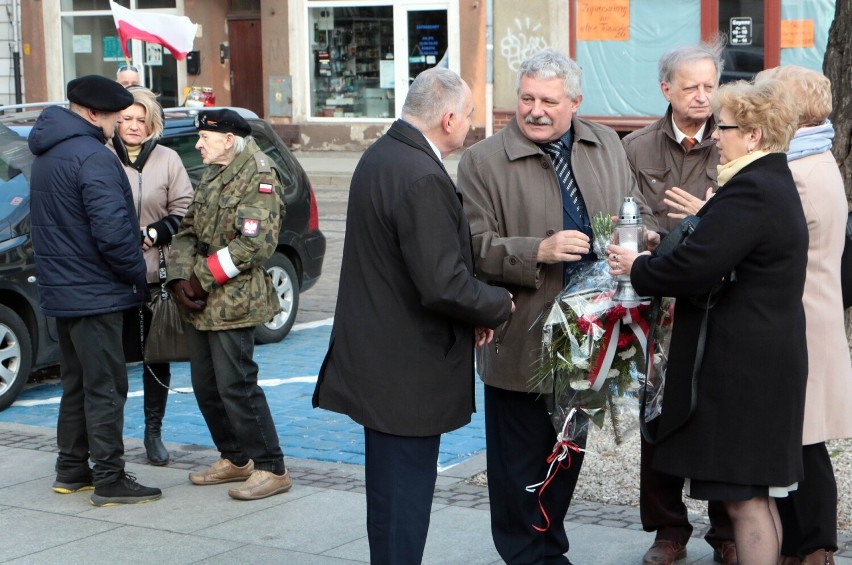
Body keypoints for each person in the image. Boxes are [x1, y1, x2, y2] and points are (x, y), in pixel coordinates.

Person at [457, 49, 657, 564]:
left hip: (593, 336)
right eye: (526, 98)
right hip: (522, 336)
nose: (535, 110)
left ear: (575, 102)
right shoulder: (483, 161)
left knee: (567, 453)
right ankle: (527, 554)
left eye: (549, 100)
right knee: (517, 463)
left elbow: (633, 207)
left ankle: (550, 546)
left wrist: (643, 238)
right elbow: (470, 247)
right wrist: (536, 251)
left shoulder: (606, 144)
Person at [312, 68, 514, 564]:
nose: (470, 126)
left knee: (390, 502)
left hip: (383, 361)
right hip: (405, 371)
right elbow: (442, 282)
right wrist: (496, 304)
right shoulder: (421, 175)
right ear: (448, 118)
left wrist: (470, 313)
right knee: (402, 506)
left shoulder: (383, 154)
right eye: (468, 116)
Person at [608, 78, 806, 565]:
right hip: (761, 358)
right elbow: (710, 250)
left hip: (747, 365)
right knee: (753, 491)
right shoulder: (767, 181)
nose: (717, 135)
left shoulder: (752, 189)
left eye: (725, 127)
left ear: (754, 135)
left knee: (743, 496)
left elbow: (696, 267)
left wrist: (635, 269)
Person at [621, 41, 736, 564]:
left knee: (718, 412)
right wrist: (646, 236)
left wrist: (704, 220)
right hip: (660, 299)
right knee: (659, 412)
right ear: (666, 89)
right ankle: (668, 530)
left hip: (719, 301)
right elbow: (622, 213)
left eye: (709, 86)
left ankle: (727, 531)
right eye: (690, 86)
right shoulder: (637, 147)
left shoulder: (735, 143)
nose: (702, 96)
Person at [29, 75, 162, 506]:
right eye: (113, 117)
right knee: (105, 385)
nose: (117, 125)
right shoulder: (94, 157)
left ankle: (71, 469)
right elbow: (113, 235)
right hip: (97, 291)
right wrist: (135, 278)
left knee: (77, 382)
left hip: (64, 290)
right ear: (92, 114)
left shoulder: (49, 153)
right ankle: (109, 478)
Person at [754, 65, 852, 565]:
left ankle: (813, 548)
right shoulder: (818, 157)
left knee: (804, 444)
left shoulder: (795, 170)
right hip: (816, 314)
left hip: (801, 320)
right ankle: (807, 546)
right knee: (800, 441)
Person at [166, 108, 291, 501]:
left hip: (234, 299)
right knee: (205, 385)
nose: (198, 144)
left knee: (236, 385)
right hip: (202, 298)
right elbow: (187, 230)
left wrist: (200, 278)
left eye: (204, 137)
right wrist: (179, 277)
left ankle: (271, 466)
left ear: (228, 139)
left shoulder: (259, 175)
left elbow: (255, 244)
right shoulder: (215, 172)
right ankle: (235, 458)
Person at [111, 86, 194, 466]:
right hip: (111, 278)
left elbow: (185, 208)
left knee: (154, 358)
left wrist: (155, 232)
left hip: (153, 277)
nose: (132, 126)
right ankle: (109, 436)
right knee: (112, 362)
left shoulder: (168, 159)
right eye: (126, 118)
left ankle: (152, 432)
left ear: (151, 123)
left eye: (140, 119)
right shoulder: (102, 157)